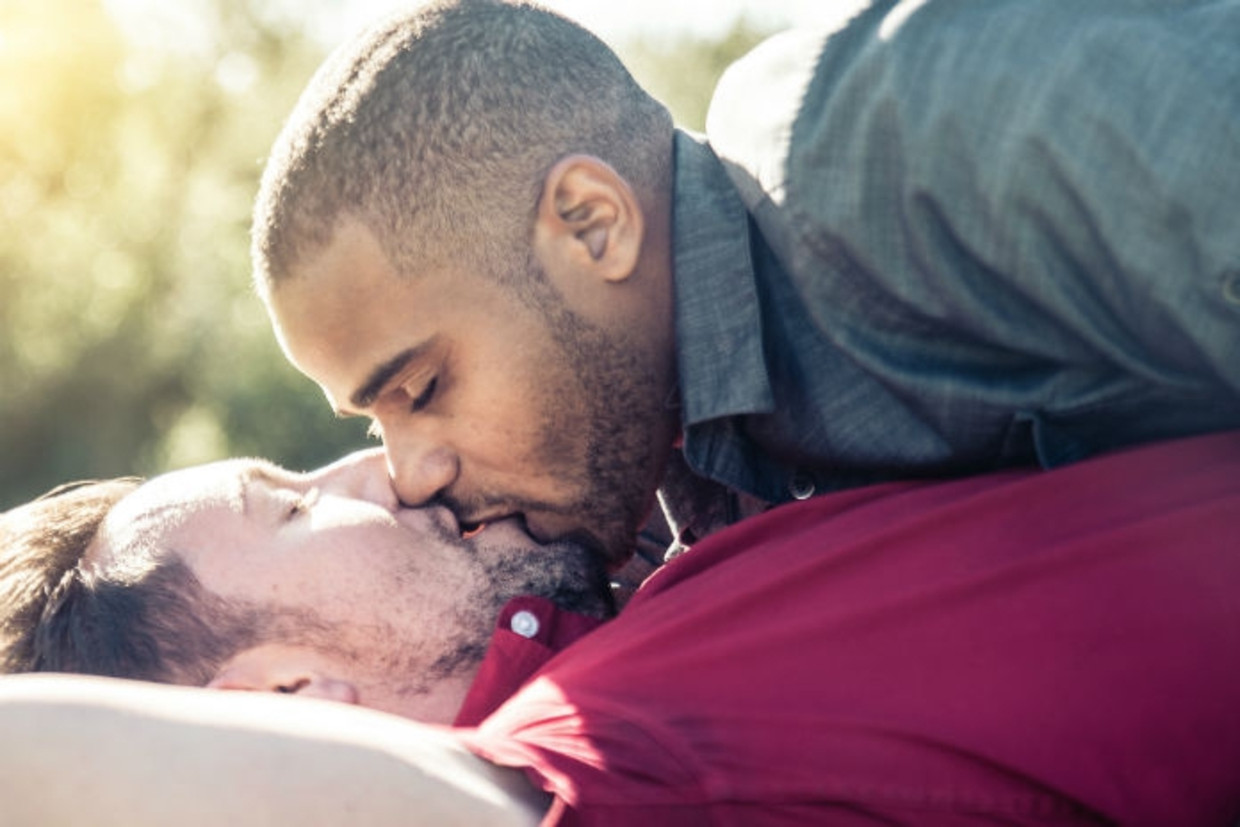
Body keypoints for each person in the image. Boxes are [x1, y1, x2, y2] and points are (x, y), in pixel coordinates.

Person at [251, 0, 1240, 566]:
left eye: (420, 389)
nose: (411, 471)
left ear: (592, 225)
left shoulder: (886, 139)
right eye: (374, 420)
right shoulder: (649, 470)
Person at [4, 431, 1240, 824]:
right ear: (286, 705)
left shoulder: (641, 623)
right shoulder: (583, 765)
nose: (381, 460)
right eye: (285, 504)